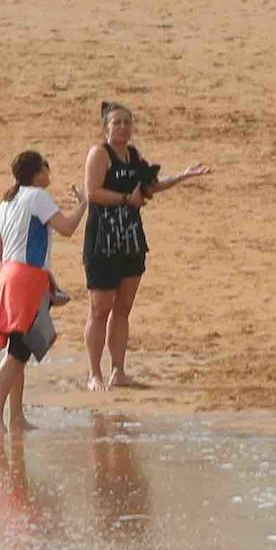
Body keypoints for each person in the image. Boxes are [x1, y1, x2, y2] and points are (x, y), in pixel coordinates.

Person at [83, 101, 211, 391]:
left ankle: (118, 371)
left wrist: (183, 176)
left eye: (127, 122)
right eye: (116, 122)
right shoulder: (99, 153)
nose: (123, 127)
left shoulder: (133, 155)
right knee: (100, 309)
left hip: (131, 239)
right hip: (103, 241)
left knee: (123, 308)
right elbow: (93, 193)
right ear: (105, 128)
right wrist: (125, 199)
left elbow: (150, 186)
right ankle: (94, 374)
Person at [0, 150, 87, 434]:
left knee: (20, 350)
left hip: (9, 275)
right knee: (17, 354)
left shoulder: (7, 201)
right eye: (45, 168)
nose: (48, 173)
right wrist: (84, 205)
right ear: (37, 173)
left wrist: (20, 269)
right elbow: (66, 228)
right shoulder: (37, 196)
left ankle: (16, 416)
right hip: (27, 281)